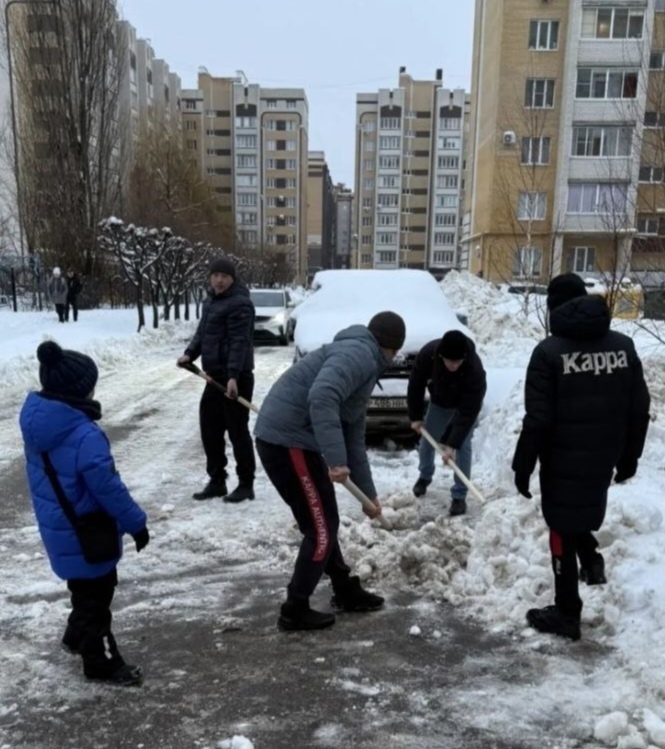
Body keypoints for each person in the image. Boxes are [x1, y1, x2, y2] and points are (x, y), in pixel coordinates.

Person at [512, 273, 651, 641]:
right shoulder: (623, 347)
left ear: (553, 308)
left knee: (560, 526)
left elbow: (538, 420)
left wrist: (522, 466)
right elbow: (640, 408)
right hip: (603, 455)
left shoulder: (548, 352)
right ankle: (590, 561)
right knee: (581, 510)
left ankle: (567, 613)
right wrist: (629, 458)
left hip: (561, 459)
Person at [254, 311, 405, 631]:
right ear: (391, 348)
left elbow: (354, 436)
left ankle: (343, 587)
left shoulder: (362, 359)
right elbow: (322, 396)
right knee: (321, 526)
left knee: (321, 518)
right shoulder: (360, 355)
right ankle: (294, 608)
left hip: (292, 440)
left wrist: (368, 496)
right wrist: (336, 460)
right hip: (287, 441)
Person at [19, 341, 150, 686]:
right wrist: (137, 523)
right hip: (88, 532)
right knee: (97, 598)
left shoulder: (41, 426)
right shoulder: (83, 435)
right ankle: (101, 663)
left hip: (61, 528)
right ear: (79, 390)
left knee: (84, 590)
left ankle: (75, 637)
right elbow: (108, 489)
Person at [177, 257, 256, 503]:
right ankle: (217, 480)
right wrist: (190, 353)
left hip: (236, 378)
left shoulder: (241, 304)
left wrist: (233, 376)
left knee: (237, 431)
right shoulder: (210, 301)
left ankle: (245, 484)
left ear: (233, 279)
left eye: (224, 276)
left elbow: (239, 342)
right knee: (209, 429)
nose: (219, 280)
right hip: (213, 377)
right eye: (215, 275)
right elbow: (203, 333)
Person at [407, 330, 487, 517]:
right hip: (440, 401)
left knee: (463, 447)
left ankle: (459, 495)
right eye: (449, 361)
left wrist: (452, 444)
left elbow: (468, 412)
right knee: (428, 440)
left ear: (464, 358)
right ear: (441, 355)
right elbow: (415, 384)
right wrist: (416, 416)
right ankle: (424, 476)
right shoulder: (429, 355)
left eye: (457, 362)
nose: (453, 365)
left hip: (465, 406)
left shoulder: (474, 370)